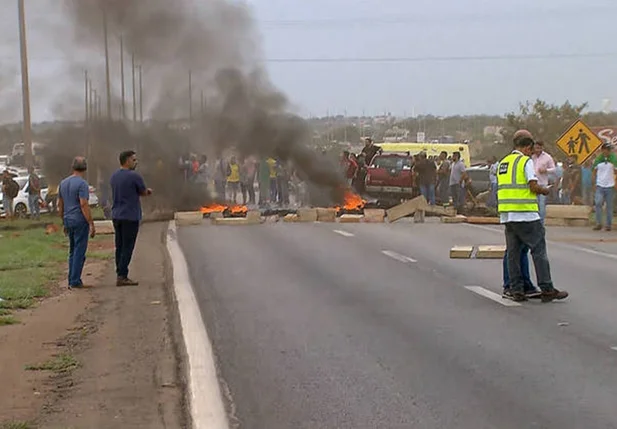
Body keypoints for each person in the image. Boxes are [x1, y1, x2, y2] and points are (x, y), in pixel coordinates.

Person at [497, 130, 568, 302]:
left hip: (508, 216)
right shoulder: (525, 161)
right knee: (539, 251)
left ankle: (517, 290)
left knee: (513, 254)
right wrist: (545, 191)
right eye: (531, 149)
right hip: (526, 214)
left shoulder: (504, 162)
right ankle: (547, 288)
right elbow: (533, 186)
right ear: (527, 147)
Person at [110, 150, 152, 287]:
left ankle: (119, 272)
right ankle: (122, 276)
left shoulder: (114, 176)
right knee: (128, 246)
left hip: (116, 215)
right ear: (127, 160)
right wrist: (148, 192)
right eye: (134, 160)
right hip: (130, 216)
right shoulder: (134, 176)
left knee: (119, 246)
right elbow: (143, 191)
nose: (136, 162)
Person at [58, 157, 95, 289]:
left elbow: (60, 205)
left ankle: (71, 279)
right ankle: (75, 280)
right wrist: (91, 223)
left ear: (72, 167)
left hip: (68, 219)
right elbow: (83, 204)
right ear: (85, 168)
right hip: (79, 220)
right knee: (80, 250)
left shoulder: (63, 183)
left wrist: (63, 221)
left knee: (72, 251)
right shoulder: (82, 184)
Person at [592, 142, 617, 231]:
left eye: (609, 150)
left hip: (610, 186)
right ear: (603, 150)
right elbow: (594, 171)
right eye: (607, 149)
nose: (608, 151)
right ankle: (598, 223)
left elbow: (616, 171)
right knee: (598, 203)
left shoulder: (614, 159)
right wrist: (594, 183)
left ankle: (608, 225)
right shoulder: (598, 160)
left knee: (609, 206)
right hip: (600, 185)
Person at [531, 140, 556, 220]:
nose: (537, 150)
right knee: (534, 205)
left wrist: (546, 170)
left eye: (539, 148)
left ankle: (541, 222)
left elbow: (553, 169)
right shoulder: (532, 156)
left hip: (542, 184)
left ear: (542, 148)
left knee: (541, 205)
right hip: (533, 184)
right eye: (536, 148)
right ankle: (535, 222)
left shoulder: (547, 157)